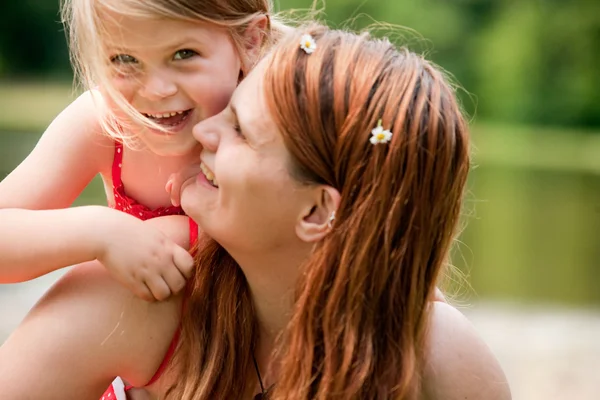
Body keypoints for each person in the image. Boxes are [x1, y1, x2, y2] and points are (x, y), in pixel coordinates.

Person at [0, 25, 511, 399]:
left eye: (240, 130)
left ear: (317, 211)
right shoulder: (143, 289)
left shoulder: (441, 360)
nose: (202, 132)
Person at [0, 0, 281, 301]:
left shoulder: (279, 120)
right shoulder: (106, 123)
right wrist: (99, 231)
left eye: (184, 54)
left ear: (251, 41)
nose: (156, 89)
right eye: (124, 59)